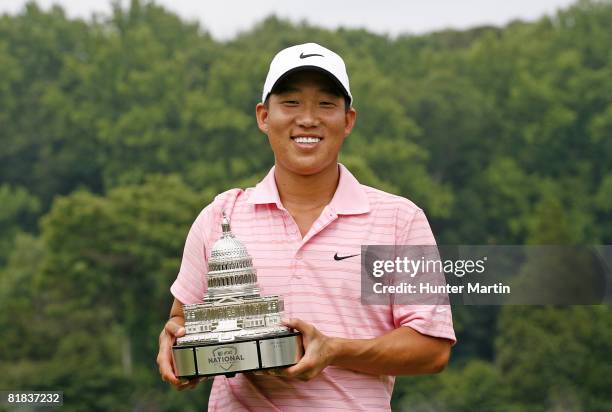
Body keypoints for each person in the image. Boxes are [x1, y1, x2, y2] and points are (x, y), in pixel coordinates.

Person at [157, 42, 456, 411]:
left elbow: (432, 349)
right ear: (264, 116)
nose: (308, 119)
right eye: (292, 103)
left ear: (348, 121)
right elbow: (181, 321)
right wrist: (173, 343)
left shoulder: (399, 220)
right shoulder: (221, 215)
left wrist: (334, 350)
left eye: (326, 104)